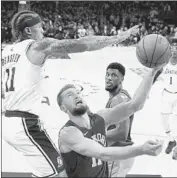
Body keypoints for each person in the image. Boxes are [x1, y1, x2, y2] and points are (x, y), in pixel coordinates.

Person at [1, 10, 139, 177]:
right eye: (40, 28)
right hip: (24, 124)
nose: (43, 31)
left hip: (8, 120)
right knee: (60, 173)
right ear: (29, 31)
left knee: (46, 170)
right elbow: (83, 43)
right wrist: (116, 38)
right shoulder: (37, 46)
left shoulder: (6, 52)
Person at [58, 64, 165, 177]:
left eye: (78, 93)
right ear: (63, 108)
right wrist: (142, 149)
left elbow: (135, 105)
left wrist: (152, 72)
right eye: (70, 95)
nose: (76, 96)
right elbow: (102, 154)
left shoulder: (101, 118)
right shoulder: (68, 133)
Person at [105, 62, 134, 177]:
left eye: (114, 75)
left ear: (122, 78)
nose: (108, 78)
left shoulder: (118, 99)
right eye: (107, 74)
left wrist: (95, 135)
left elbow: (122, 132)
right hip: (122, 154)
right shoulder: (118, 96)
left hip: (118, 153)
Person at [155, 38, 177, 158]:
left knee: (175, 121)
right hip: (166, 94)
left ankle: (176, 148)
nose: (174, 50)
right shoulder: (164, 63)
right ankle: (171, 140)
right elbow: (154, 75)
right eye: (173, 47)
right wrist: (147, 89)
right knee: (164, 120)